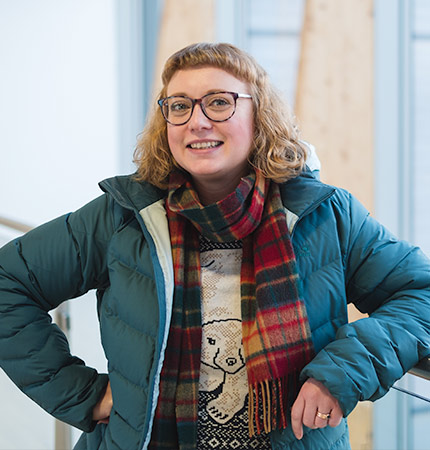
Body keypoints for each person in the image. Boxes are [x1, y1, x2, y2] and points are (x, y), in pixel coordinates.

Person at [0, 42, 429, 450]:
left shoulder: (326, 214)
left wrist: (343, 372)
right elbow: (8, 281)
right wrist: (83, 394)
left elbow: (420, 293)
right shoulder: (122, 216)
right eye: (180, 106)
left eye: (219, 102)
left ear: (259, 114)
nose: (197, 121)